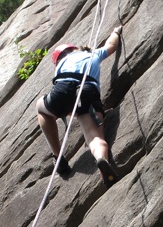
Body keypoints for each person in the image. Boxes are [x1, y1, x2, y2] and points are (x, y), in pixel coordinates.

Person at [36, 25, 122, 188]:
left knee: (41, 108)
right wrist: (116, 32)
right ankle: (102, 161)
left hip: (63, 89)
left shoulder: (61, 64)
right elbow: (111, 45)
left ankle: (58, 157)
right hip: (88, 92)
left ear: (57, 60)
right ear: (74, 48)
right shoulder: (91, 54)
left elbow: (68, 101)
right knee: (95, 137)